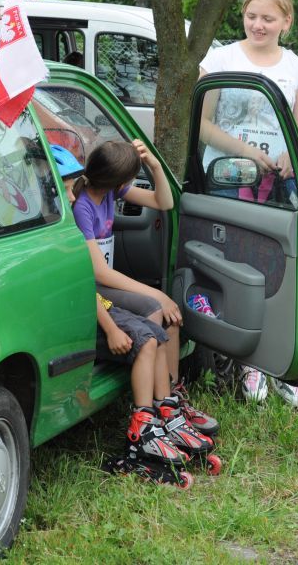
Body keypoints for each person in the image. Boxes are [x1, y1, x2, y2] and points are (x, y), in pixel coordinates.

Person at [197, 0, 298, 407]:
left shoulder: (297, 68)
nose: (258, 25)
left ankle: (276, 361)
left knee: (276, 268)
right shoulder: (220, 58)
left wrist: (289, 153)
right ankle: (242, 363)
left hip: (276, 185)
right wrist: (246, 152)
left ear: (286, 20)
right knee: (235, 268)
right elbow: (203, 124)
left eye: (268, 18)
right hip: (227, 179)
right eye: (251, 16)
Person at [72, 140, 219, 437]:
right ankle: (152, 410)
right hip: (97, 287)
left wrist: (154, 165)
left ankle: (171, 401)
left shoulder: (111, 191)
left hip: (108, 281)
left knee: (171, 317)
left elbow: (164, 202)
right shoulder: (83, 208)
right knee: (156, 310)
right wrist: (156, 293)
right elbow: (99, 272)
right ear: (120, 180)